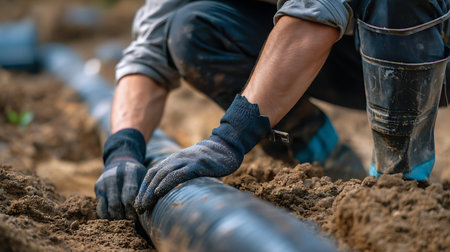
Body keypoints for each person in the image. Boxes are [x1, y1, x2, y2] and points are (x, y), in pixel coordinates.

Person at [95, 0, 450, 220]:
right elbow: (148, 53)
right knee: (192, 29)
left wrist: (230, 138)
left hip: (432, 47)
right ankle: (322, 157)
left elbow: (314, 11)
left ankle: (401, 187)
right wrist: (122, 150)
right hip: (351, 48)